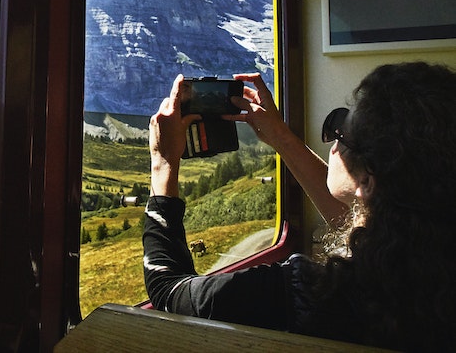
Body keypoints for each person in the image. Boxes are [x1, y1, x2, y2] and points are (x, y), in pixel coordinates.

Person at [143, 62, 456, 351]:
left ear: (368, 180)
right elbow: (363, 215)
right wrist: (280, 135)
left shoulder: (309, 295)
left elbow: (168, 291)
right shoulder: (431, 259)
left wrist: (163, 163)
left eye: (343, 130)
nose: (333, 139)